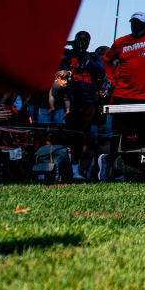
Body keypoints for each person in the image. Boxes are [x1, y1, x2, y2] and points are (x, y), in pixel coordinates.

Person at [61, 30, 106, 179]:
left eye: (86, 39)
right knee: (67, 136)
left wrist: (87, 63)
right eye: (79, 39)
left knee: (84, 138)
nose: (82, 42)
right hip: (69, 100)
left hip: (88, 102)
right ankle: (63, 167)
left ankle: (78, 169)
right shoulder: (68, 55)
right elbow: (60, 73)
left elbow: (101, 72)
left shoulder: (91, 57)